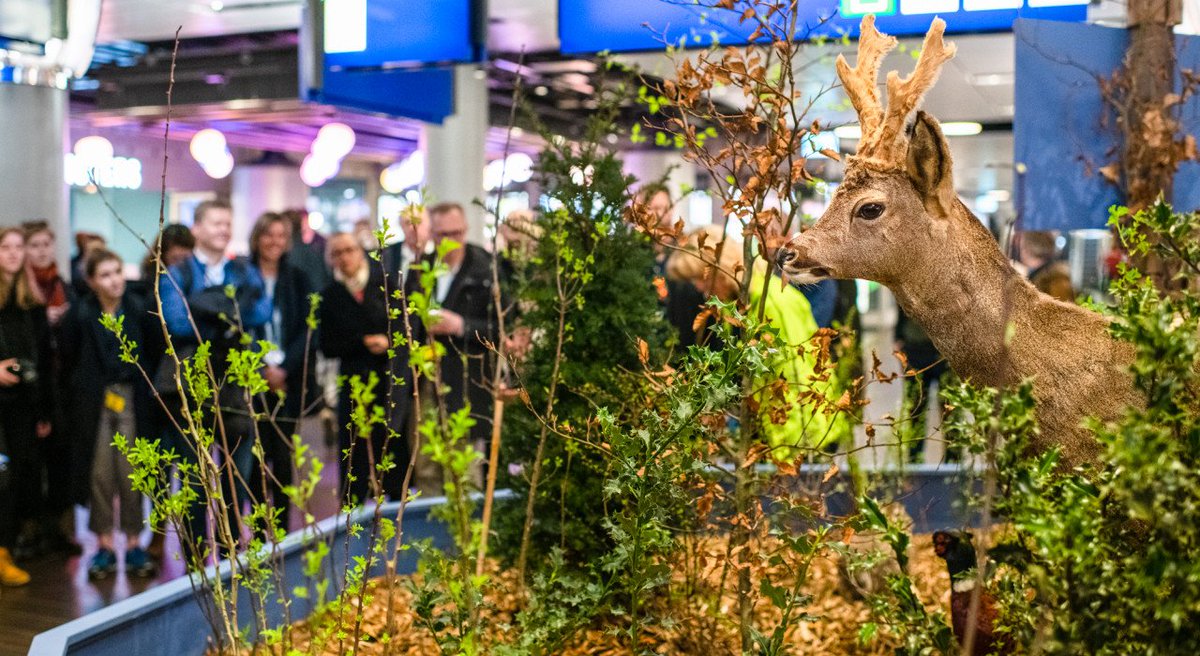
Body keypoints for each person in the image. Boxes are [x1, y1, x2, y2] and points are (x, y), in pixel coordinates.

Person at [667, 225, 845, 453]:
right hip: (781, 433)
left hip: (799, 437)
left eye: (700, 278)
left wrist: (783, 450)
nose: (700, 288)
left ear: (719, 269)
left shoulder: (768, 303)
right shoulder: (739, 307)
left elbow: (793, 375)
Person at [158, 199, 271, 555]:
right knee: (194, 475)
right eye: (216, 223)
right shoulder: (179, 273)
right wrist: (228, 319)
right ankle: (195, 556)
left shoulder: (243, 271)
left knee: (238, 472)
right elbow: (177, 322)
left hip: (236, 387)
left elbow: (261, 311)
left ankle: (231, 549)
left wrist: (205, 309)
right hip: (193, 387)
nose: (223, 230)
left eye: (228, 223)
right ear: (197, 229)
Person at [62, 249, 159, 579]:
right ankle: (103, 544)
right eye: (104, 274)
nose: (114, 279)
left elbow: (154, 351)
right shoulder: (79, 314)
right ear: (91, 281)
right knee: (100, 472)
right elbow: (69, 357)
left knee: (131, 470)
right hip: (94, 400)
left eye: (117, 271)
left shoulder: (138, 308)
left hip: (132, 395)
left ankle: (134, 543)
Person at [319, 233, 410, 503]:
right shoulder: (331, 295)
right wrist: (361, 342)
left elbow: (406, 329)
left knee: (392, 440)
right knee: (352, 445)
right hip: (353, 379)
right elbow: (327, 345)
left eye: (349, 250)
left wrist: (388, 341)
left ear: (362, 251)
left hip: (387, 377)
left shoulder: (385, 284)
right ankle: (354, 509)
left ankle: (395, 502)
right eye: (337, 253)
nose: (345, 257)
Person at [413, 203, 503, 475]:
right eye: (443, 234)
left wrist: (460, 325)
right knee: (427, 467)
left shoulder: (486, 269)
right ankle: (431, 518)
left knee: (465, 470)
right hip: (426, 379)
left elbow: (502, 328)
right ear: (432, 234)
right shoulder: (421, 269)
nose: (451, 241)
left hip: (467, 381)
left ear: (465, 230)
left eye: (457, 233)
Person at [248, 212, 317, 528]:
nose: (274, 242)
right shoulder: (242, 274)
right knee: (255, 457)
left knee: (284, 455)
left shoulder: (298, 277)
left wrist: (283, 369)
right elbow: (236, 325)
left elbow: (308, 328)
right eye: (268, 234)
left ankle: (283, 530)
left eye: (280, 236)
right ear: (257, 237)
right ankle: (260, 530)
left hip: (287, 379)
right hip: (251, 377)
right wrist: (261, 368)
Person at [21, 220, 79, 556]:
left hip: (63, 387)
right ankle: (29, 530)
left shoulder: (64, 287)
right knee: (30, 461)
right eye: (35, 245)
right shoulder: (20, 290)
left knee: (61, 460)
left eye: (47, 244)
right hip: (33, 389)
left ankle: (58, 528)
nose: (42, 251)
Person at [0, 227, 52, 586]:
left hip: (22, 406)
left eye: (19, 247)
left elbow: (46, 361)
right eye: (6, 247)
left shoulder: (31, 304)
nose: (15, 254)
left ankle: (6, 551)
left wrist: (45, 411)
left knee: (16, 479)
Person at [640, 185, 708, 350]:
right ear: (643, 213)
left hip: (685, 338)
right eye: (655, 208)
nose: (662, 214)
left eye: (667, 207)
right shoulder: (635, 255)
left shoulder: (685, 251)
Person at [1018, 231, 1075, 303]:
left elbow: (1063, 312)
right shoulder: (1052, 274)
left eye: (1021, 246)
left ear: (1026, 250)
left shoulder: (1056, 280)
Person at [70, 232, 106, 298]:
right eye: (93, 252)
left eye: (99, 252)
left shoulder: (108, 266)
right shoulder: (75, 268)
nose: (96, 256)